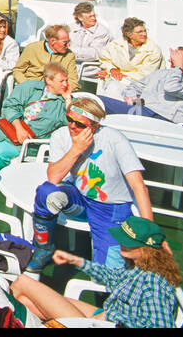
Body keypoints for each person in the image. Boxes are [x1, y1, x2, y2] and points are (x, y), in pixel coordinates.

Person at [28, 94, 154, 270]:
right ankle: (43, 249)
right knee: (46, 193)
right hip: (80, 196)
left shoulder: (114, 139)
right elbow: (53, 178)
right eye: (69, 119)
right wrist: (76, 149)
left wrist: (149, 231)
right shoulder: (61, 136)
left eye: (79, 124)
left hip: (110, 207)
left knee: (109, 271)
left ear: (94, 126)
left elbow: (139, 187)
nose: (72, 126)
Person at [10, 216, 182, 328]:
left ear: (146, 249)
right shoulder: (136, 265)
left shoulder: (154, 284)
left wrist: (111, 316)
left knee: (22, 282)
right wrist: (76, 261)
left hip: (109, 323)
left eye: (128, 242)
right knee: (25, 301)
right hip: (103, 317)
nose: (121, 244)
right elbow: (113, 277)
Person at [0, 62, 72, 174]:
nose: (66, 84)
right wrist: (19, 128)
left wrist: (68, 99)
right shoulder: (30, 87)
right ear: (49, 80)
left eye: (66, 80)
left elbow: (70, 123)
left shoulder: (62, 103)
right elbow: (10, 106)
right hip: (7, 128)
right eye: (62, 81)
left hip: (28, 141)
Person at [97, 16, 165, 101]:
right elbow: (105, 59)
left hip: (141, 85)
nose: (144, 34)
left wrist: (114, 75)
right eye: (140, 32)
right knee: (111, 87)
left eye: (145, 31)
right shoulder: (116, 44)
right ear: (129, 34)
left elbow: (146, 75)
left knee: (114, 89)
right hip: (118, 80)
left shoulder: (153, 50)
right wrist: (112, 69)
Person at [117, 46, 183, 122]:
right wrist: (132, 98)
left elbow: (171, 88)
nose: (170, 60)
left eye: (176, 59)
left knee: (103, 105)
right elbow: (134, 87)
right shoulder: (161, 73)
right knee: (102, 103)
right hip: (141, 110)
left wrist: (178, 67)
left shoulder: (176, 76)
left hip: (162, 117)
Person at [13, 24, 79, 90]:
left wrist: (57, 90)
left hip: (56, 93)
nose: (68, 45)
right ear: (53, 41)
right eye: (65, 43)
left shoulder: (69, 55)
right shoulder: (32, 48)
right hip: (29, 88)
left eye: (69, 41)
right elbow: (18, 70)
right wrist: (27, 84)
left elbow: (73, 81)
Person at [70, 1, 114, 66]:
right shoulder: (71, 28)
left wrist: (69, 50)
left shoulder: (102, 32)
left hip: (89, 69)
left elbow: (94, 54)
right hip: (70, 66)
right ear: (80, 17)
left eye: (94, 15)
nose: (93, 18)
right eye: (90, 16)